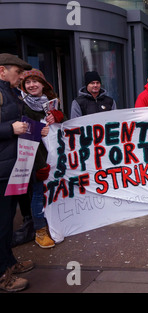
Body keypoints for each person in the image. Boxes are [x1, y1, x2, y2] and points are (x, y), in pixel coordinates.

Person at [0, 53, 34, 292]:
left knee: (7, 222)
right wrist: (9, 129)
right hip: (2, 171)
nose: (22, 76)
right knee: (1, 224)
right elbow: (10, 126)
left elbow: (17, 122)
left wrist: (34, 130)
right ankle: (2, 276)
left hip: (11, 168)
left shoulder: (10, 92)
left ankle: (9, 263)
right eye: (17, 71)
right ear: (2, 70)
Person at [21, 68, 66, 248]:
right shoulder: (22, 106)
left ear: (43, 84)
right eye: (28, 83)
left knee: (55, 192)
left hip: (54, 158)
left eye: (35, 81)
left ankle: (54, 223)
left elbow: (66, 127)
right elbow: (27, 137)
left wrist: (59, 117)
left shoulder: (50, 103)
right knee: (38, 194)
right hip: (36, 159)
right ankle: (40, 231)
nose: (32, 85)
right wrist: (39, 165)